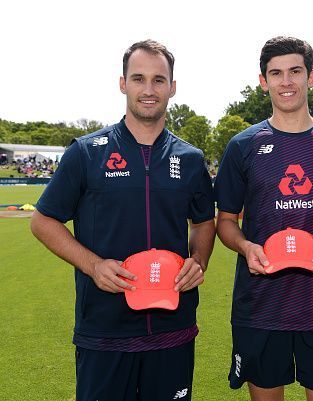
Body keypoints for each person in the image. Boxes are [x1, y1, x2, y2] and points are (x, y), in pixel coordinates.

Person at [30, 39, 215, 401]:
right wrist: (94, 265)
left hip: (172, 326)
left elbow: (204, 222)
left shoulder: (191, 159)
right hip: (105, 329)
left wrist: (199, 261)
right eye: (138, 78)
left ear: (172, 88)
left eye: (159, 80)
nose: (149, 90)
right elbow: (43, 221)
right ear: (122, 83)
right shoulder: (86, 152)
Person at [214, 36, 313, 401]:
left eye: (295, 71)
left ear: (311, 78)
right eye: (276, 73)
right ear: (263, 80)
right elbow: (225, 222)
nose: (286, 82)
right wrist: (246, 246)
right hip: (261, 304)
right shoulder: (243, 146)